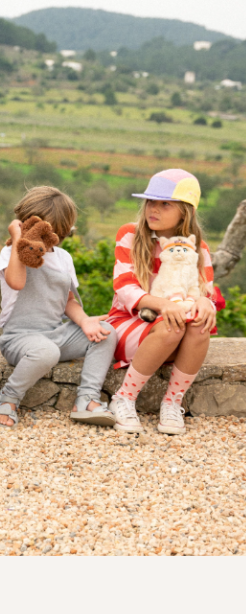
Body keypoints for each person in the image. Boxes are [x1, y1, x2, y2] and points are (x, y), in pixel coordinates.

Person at [0, 186, 117, 429]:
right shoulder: (10, 252)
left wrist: (85, 322)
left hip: (54, 333)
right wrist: (19, 241)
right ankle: (8, 398)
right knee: (47, 352)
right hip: (19, 338)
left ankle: (87, 399)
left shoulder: (63, 258)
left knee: (106, 333)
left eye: (55, 231)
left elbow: (68, 300)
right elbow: (16, 282)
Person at [106, 169, 216, 435]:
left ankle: (172, 403)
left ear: (185, 211)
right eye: (150, 202)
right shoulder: (130, 235)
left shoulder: (198, 248)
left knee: (199, 325)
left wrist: (204, 302)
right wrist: (163, 305)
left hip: (173, 326)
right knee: (171, 325)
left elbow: (204, 291)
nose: (153, 209)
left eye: (164, 203)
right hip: (128, 322)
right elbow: (125, 287)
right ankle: (124, 397)